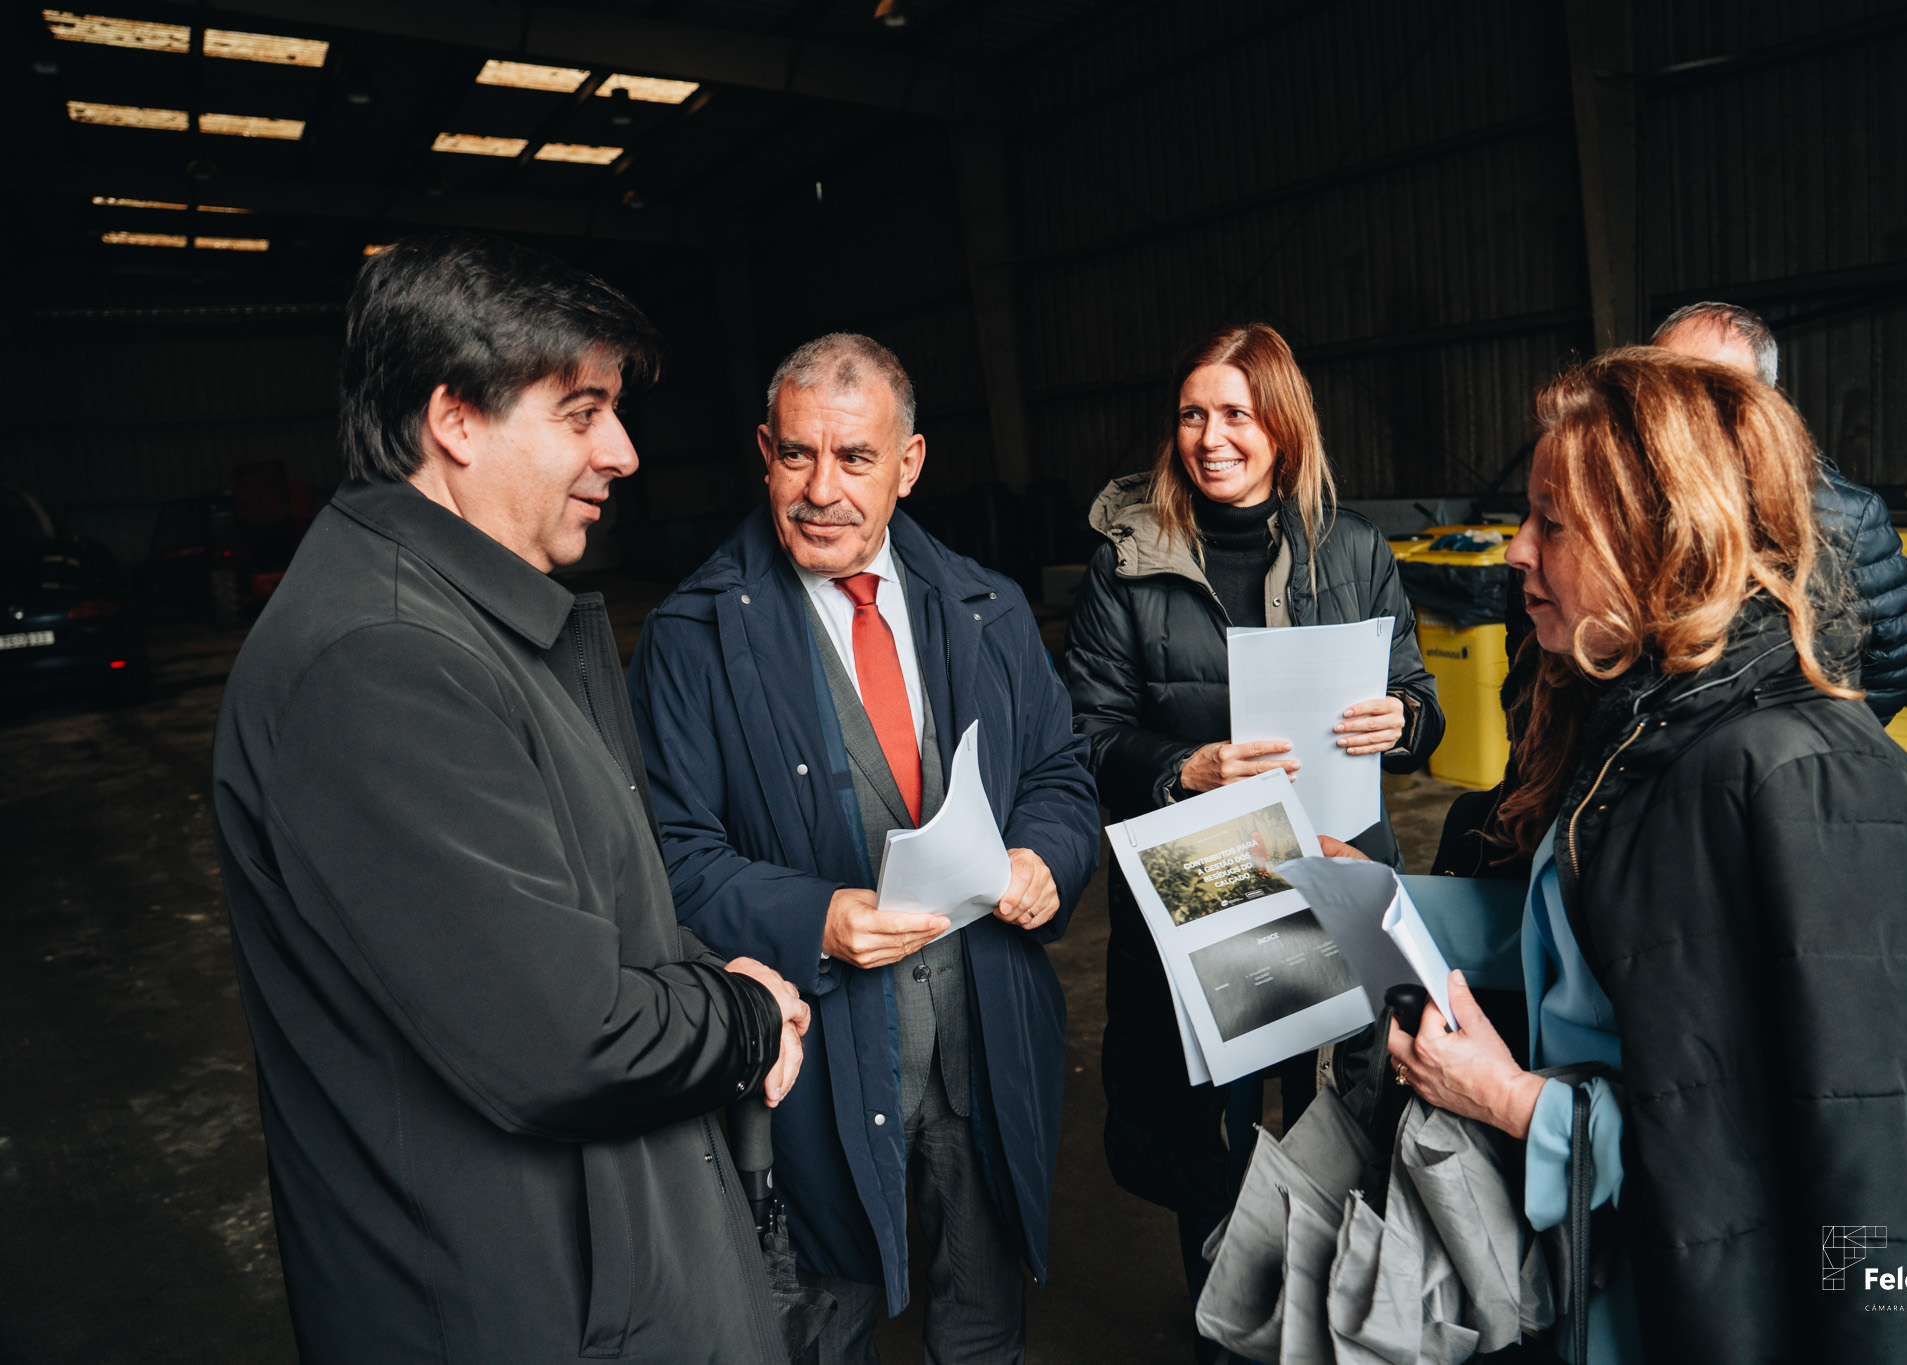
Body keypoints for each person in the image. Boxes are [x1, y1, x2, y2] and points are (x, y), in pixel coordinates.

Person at [210, 233, 810, 1363]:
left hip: (592, 1274)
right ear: (455, 421)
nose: (624, 451)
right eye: (582, 412)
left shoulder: (471, 625)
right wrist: (738, 1019)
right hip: (519, 1308)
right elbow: (565, 1039)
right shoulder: (378, 664)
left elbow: (581, 904)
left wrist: (705, 972)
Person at [1379, 347, 1907, 1362]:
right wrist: (1371, 898)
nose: (1514, 553)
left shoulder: (1814, 782)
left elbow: (1884, 1212)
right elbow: (1593, 940)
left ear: (1658, 537)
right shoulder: (1635, 722)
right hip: (1613, 1278)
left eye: (1551, 524)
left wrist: (1515, 1102)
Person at [627, 333, 1099, 1365]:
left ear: (910, 464)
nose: (820, 491)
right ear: (763, 449)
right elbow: (668, 854)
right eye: (796, 455)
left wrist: (1042, 858)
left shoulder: (989, 608)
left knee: (981, 1314)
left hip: (985, 1027)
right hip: (821, 1055)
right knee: (821, 1322)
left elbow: (1062, 774)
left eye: (854, 460)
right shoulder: (690, 638)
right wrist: (814, 920)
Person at [1060, 323, 1445, 1357]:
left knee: (1338, 1122)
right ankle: (1228, 1330)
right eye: (1192, 414)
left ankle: (1332, 1330)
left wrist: (1401, 722)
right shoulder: (1126, 565)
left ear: (1281, 427)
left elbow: (1419, 699)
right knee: (1216, 1145)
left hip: (1330, 870)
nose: (1210, 436)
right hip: (1205, 891)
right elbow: (1082, 734)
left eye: (1235, 414)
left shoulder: (1352, 548)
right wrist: (1182, 769)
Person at [1652, 300, 1907, 723]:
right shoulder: (1607, 498)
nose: (1688, 404)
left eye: (1715, 387)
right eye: (1667, 381)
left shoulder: (1846, 517)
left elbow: (1884, 676)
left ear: (1763, 400)